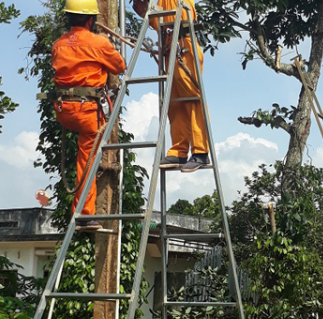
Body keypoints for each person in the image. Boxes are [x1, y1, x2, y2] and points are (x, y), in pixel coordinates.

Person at [51, 0, 126, 230]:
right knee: (88, 158)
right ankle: (84, 212)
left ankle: (82, 210)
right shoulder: (98, 43)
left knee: (84, 154)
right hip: (87, 111)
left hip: (64, 110)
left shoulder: (58, 44)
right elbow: (120, 67)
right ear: (91, 19)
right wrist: (108, 47)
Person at [133, 0, 210, 172]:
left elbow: (180, 16)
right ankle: (179, 151)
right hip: (171, 48)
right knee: (174, 102)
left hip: (185, 46)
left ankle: (201, 151)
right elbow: (162, 22)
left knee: (193, 98)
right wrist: (148, 12)